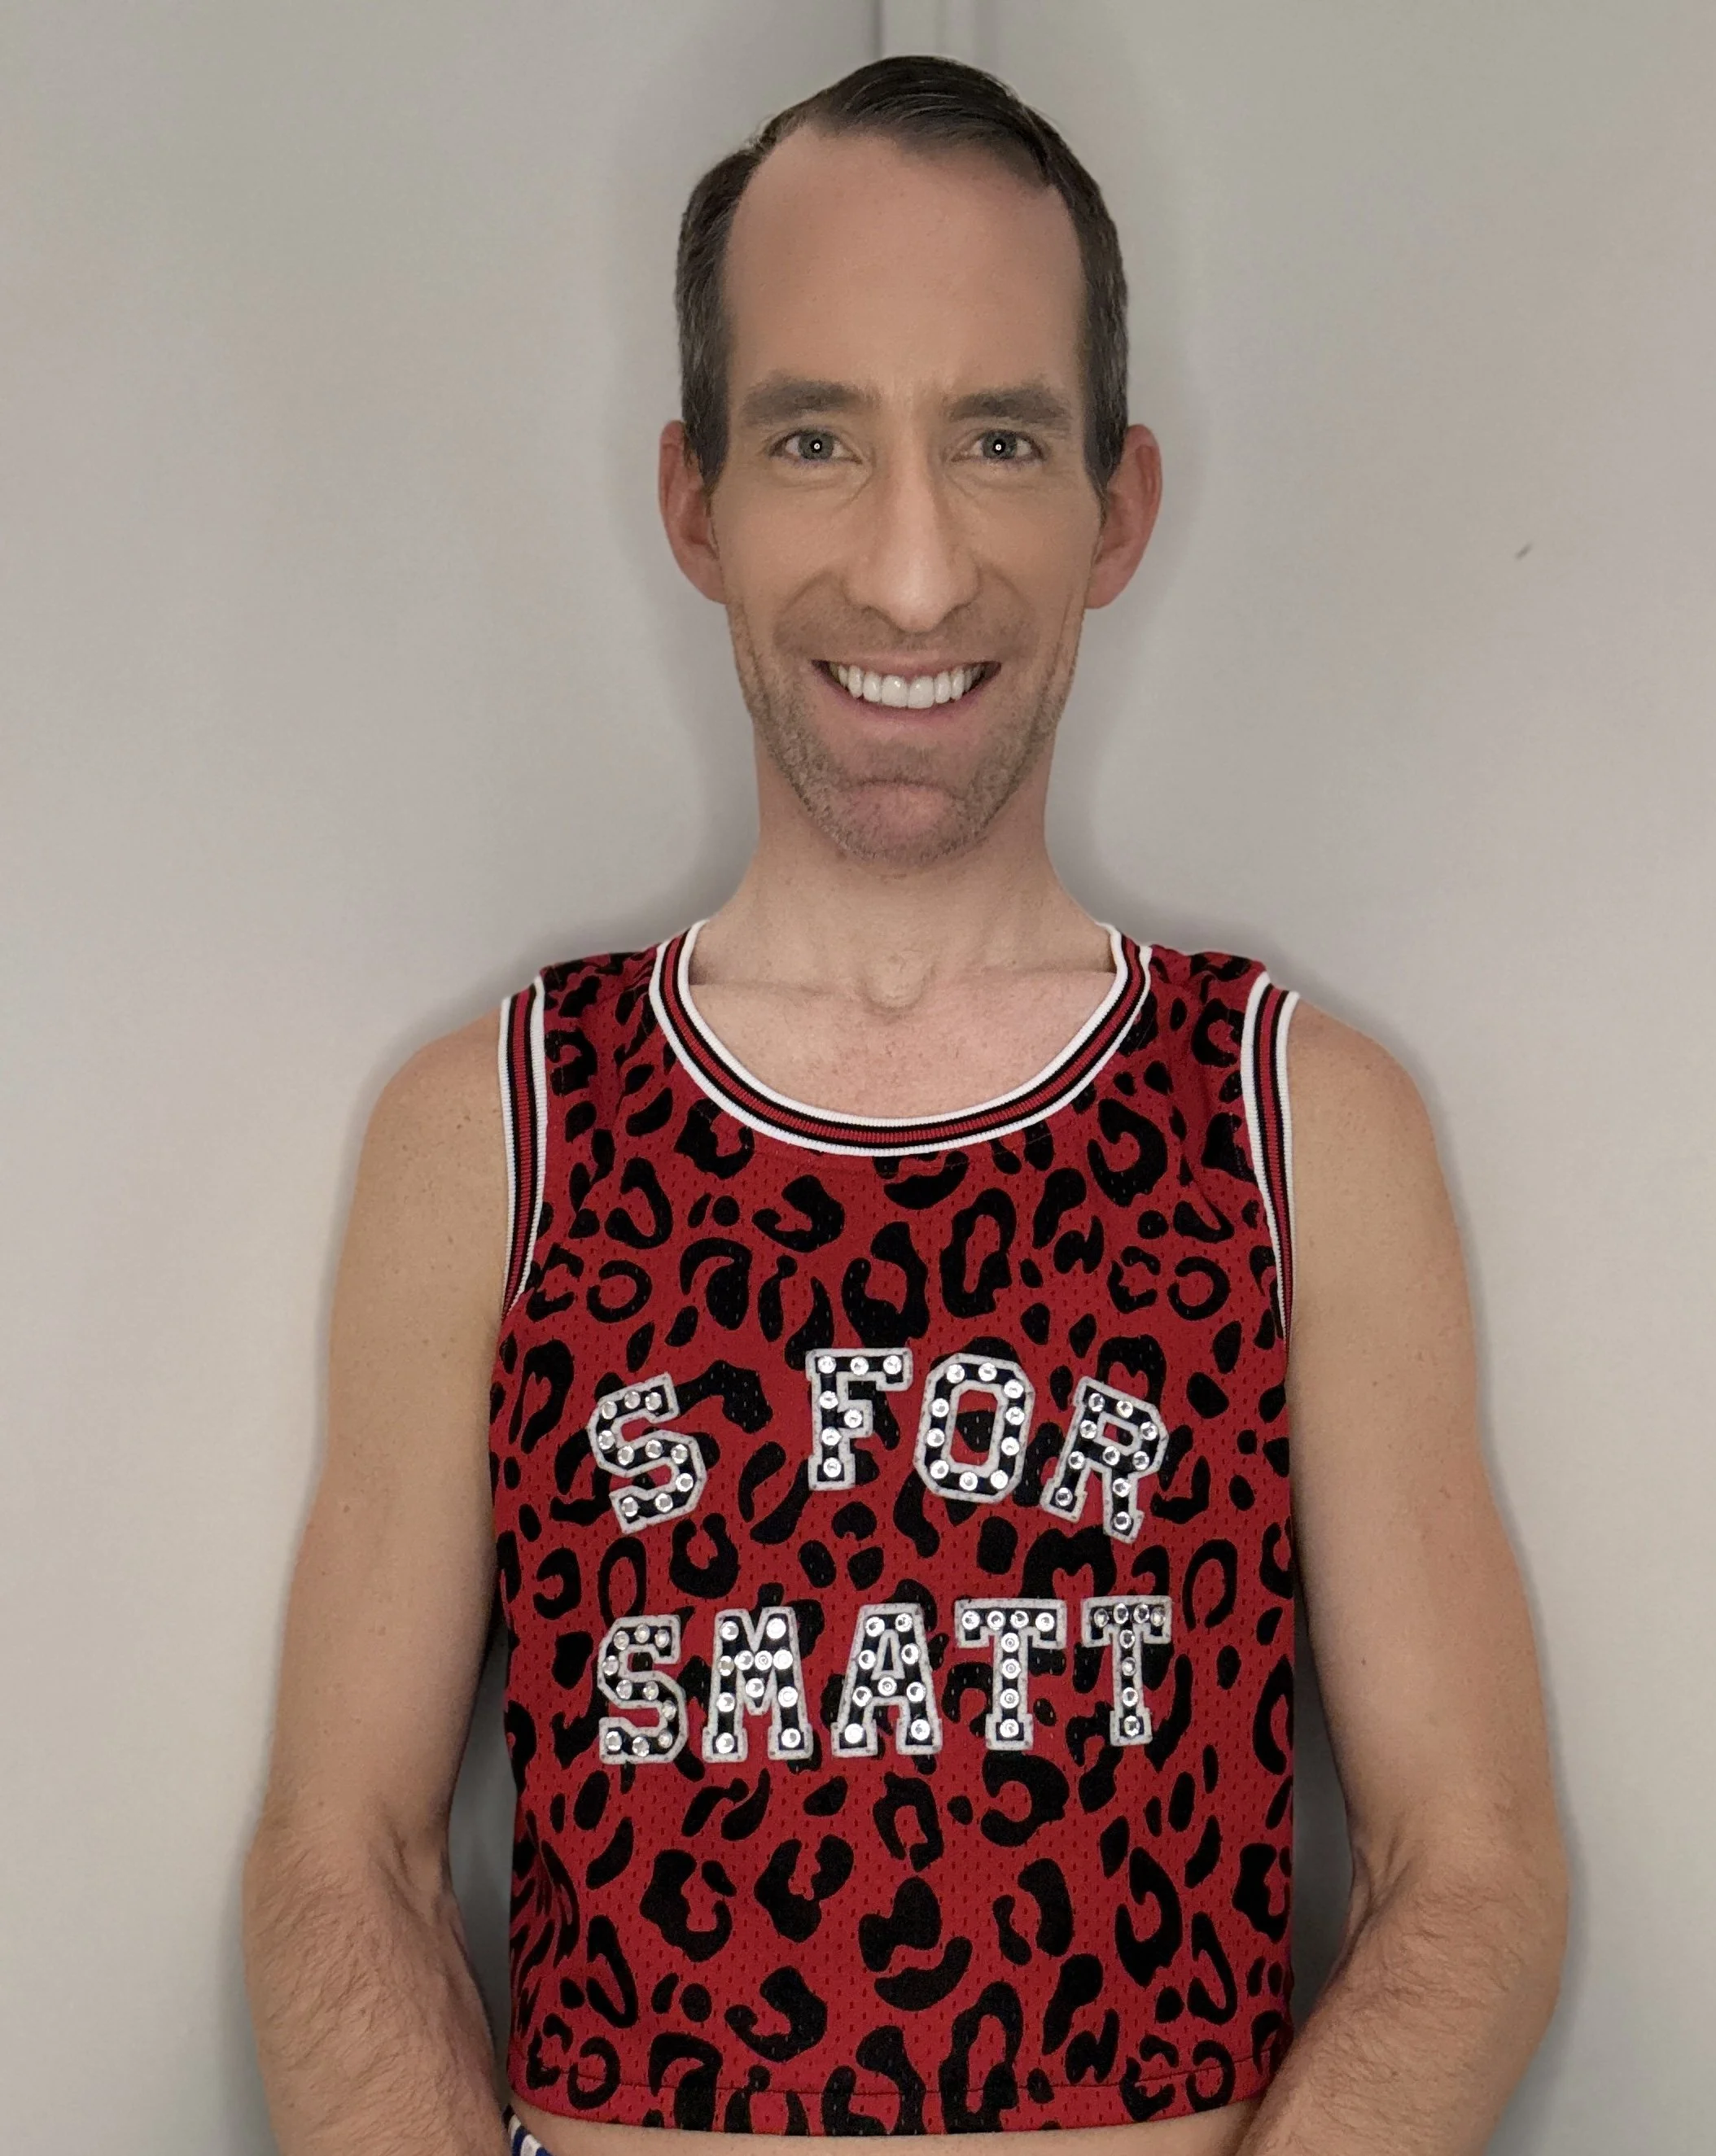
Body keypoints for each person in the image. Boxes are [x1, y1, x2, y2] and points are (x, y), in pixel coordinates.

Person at [243, 55, 1566, 2156]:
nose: (916, 575)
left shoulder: (1296, 1124)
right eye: (814, 440)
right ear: (695, 502)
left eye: (999, 440)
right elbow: (348, 1865)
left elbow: (1469, 1867)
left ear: (1117, 505)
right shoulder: (492, 1129)